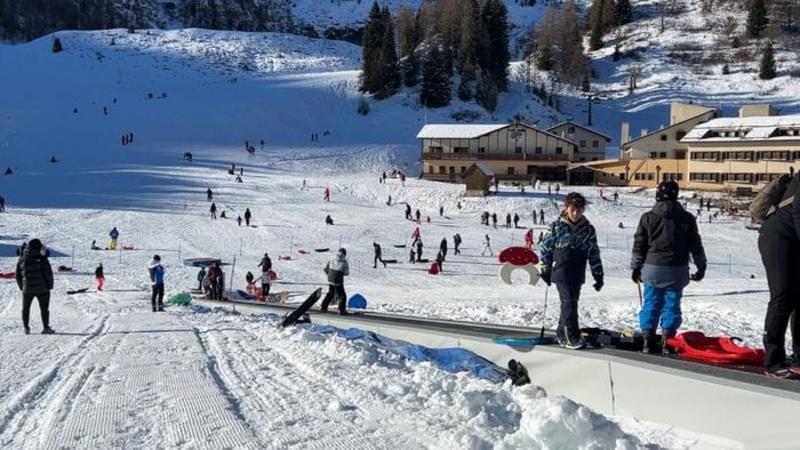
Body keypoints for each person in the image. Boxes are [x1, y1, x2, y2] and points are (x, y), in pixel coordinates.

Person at [631, 181, 707, 355]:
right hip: (677, 269)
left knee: (651, 303)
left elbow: (639, 245)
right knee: (672, 305)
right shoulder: (687, 218)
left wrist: (636, 267)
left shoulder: (648, 217)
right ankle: (668, 341)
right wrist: (701, 265)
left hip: (653, 268)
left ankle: (648, 341)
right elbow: (696, 245)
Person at [540, 192, 604, 350]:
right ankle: (571, 336)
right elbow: (546, 248)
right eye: (572, 210)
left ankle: (561, 333)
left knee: (571, 302)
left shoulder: (588, 230)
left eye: (579, 210)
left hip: (577, 270)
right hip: (561, 269)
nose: (575, 213)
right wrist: (545, 270)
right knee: (569, 303)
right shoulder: (557, 226)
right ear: (566, 208)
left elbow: (593, 253)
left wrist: (598, 275)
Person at [758, 172, 800, 378]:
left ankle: (799, 358)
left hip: (793, 239)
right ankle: (773, 359)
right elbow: (798, 214)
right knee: (783, 295)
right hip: (777, 238)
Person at [16, 239, 55, 334]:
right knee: (44, 309)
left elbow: (18, 275)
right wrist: (50, 286)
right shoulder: (42, 258)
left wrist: (22, 287)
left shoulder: (22, 259)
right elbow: (48, 273)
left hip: (27, 289)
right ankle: (45, 327)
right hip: (43, 289)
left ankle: (26, 328)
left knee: (26, 308)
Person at [321, 249, 349, 315]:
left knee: (330, 293)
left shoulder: (332, 260)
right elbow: (346, 273)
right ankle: (341, 310)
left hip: (330, 279)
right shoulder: (344, 262)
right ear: (345, 254)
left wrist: (329, 274)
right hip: (338, 281)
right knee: (342, 296)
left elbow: (326, 269)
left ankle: (323, 307)